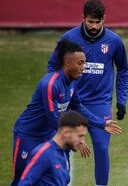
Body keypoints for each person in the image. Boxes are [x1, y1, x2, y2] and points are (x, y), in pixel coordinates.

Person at [12, 40, 121, 186]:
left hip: (49, 134)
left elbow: (78, 106)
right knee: (21, 180)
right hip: (28, 136)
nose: (84, 67)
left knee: (56, 180)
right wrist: (74, 138)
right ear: (67, 63)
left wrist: (101, 123)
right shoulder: (50, 84)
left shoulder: (73, 82)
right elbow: (53, 119)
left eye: (84, 63)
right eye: (80, 63)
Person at [47, 0, 128, 185]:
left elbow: (123, 69)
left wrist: (122, 100)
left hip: (100, 103)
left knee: (101, 147)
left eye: (97, 22)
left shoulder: (114, 41)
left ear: (104, 19)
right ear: (83, 18)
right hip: (71, 103)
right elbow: (52, 66)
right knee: (65, 145)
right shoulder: (69, 38)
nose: (93, 26)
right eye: (90, 21)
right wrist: (60, 90)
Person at [18, 111, 89, 185]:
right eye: (80, 136)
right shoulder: (43, 154)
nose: (82, 141)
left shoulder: (62, 153)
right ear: (66, 133)